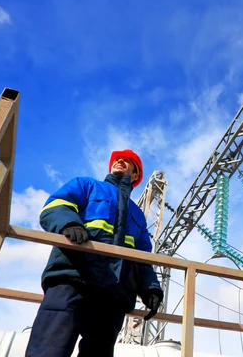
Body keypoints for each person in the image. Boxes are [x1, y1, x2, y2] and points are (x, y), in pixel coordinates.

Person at [25, 149, 163, 357]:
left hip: (113, 294)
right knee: (49, 349)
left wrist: (151, 288)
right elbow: (54, 206)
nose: (120, 161)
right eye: (117, 159)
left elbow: (143, 257)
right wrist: (69, 223)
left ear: (135, 176)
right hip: (73, 277)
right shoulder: (87, 186)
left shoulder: (138, 215)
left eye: (128, 161)